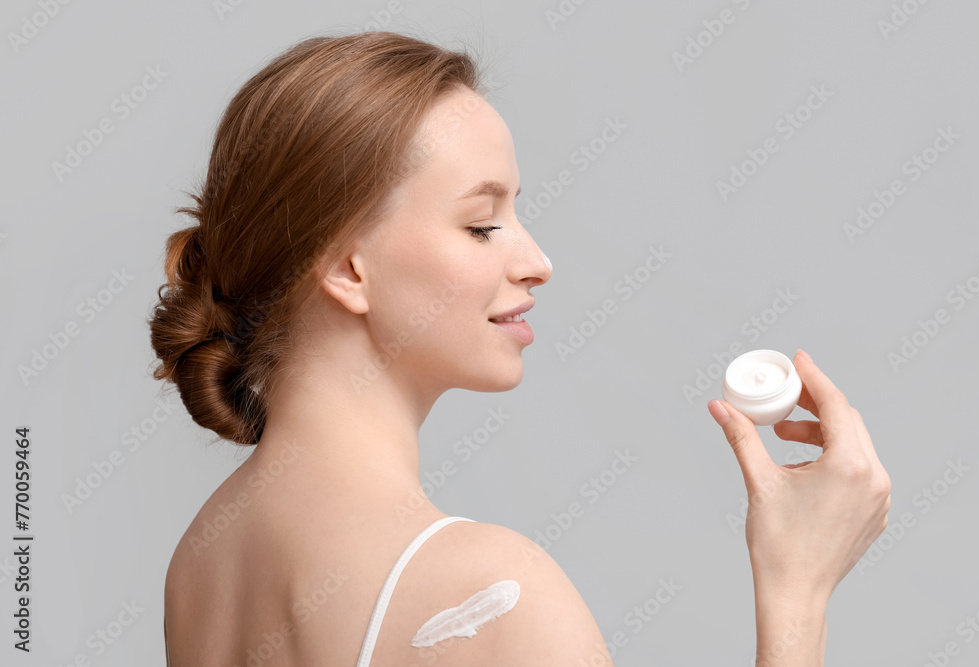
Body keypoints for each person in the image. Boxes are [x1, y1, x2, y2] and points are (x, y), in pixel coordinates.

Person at [148, 31, 890, 667]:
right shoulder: (492, 596)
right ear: (348, 268)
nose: (537, 262)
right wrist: (797, 589)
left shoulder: (201, 560)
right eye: (481, 225)